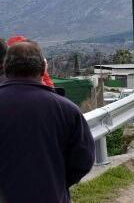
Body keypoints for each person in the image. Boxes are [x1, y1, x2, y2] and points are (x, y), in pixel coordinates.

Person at [0, 41, 95, 203]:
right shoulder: (67, 109)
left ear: (6, 67)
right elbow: (83, 161)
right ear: (43, 69)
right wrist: (55, 182)